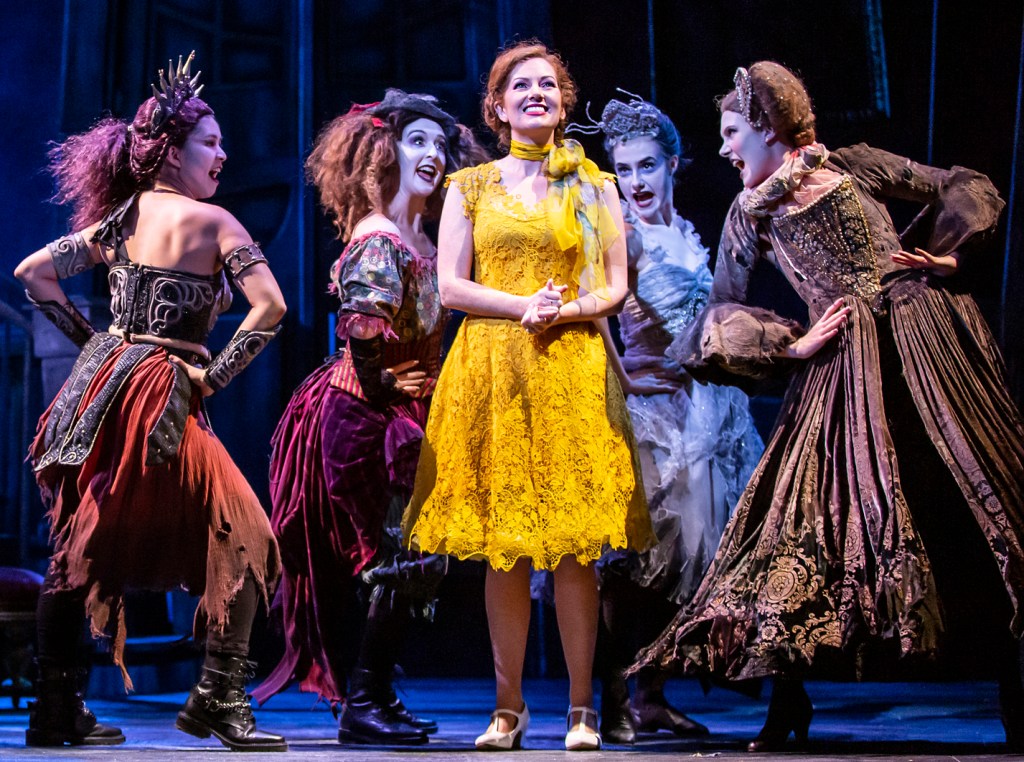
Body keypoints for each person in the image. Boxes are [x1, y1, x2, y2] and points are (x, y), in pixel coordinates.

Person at [631, 61, 1024, 752]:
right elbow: (720, 310)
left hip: (925, 344)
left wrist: (947, 259)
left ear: (767, 125)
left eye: (732, 132)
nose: (724, 148)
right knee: (803, 522)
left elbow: (960, 185)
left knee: (971, 498)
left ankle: (1014, 688)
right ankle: (788, 700)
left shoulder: (853, 165)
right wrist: (793, 344)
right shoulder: (749, 212)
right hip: (843, 366)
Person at [14, 53, 287, 752]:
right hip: (162, 394)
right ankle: (218, 697)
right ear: (170, 150)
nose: (222, 155)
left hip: (102, 389)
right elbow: (271, 307)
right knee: (245, 532)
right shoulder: (215, 221)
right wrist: (212, 376)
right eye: (211, 143)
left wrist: (96, 345)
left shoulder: (120, 221)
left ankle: (55, 709)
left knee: (84, 543)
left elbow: (33, 273)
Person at [402, 40, 655, 752]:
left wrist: (562, 311)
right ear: (498, 105)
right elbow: (451, 286)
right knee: (504, 549)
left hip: (570, 367)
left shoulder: (594, 185)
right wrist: (523, 307)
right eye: (521, 85)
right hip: (495, 370)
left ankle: (581, 709)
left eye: (548, 84)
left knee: (576, 550)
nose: (536, 93)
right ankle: (507, 708)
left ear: (564, 101)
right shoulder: (470, 186)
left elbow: (615, 286)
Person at [250, 90, 482, 746]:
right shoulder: (379, 234)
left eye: (440, 144)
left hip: (402, 411)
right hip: (364, 414)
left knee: (413, 556)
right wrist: (382, 382)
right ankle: (363, 700)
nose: (433, 154)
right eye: (417, 141)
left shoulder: (426, 239)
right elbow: (360, 322)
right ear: (384, 151)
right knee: (398, 553)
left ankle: (373, 692)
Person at [568, 93, 763, 743]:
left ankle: (651, 694)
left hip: (704, 405)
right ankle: (615, 697)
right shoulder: (619, 232)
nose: (636, 181)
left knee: (681, 562)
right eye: (623, 169)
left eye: (647, 166)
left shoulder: (685, 232)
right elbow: (593, 313)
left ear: (672, 164)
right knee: (632, 563)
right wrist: (626, 378)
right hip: (650, 410)